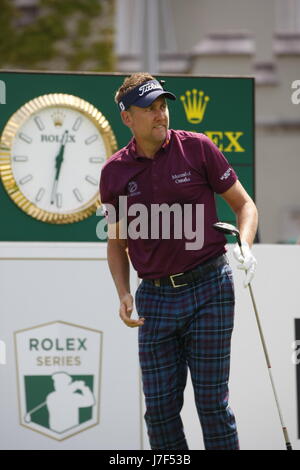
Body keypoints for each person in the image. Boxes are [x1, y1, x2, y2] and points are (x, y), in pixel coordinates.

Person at [99, 72, 258, 450]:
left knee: (212, 405)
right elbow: (116, 243)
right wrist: (123, 292)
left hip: (210, 287)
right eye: (149, 109)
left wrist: (246, 246)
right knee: (159, 412)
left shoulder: (198, 148)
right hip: (154, 298)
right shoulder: (114, 173)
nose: (160, 115)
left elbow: (244, 205)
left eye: (162, 106)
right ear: (127, 118)